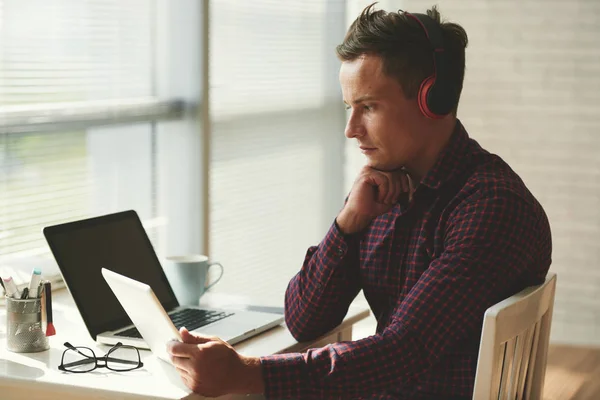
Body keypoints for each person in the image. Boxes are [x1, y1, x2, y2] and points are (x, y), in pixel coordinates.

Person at [166, 4, 552, 399]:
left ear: (431, 100)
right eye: (350, 108)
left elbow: (403, 351)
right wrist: (348, 223)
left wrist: (250, 374)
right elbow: (304, 320)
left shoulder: (492, 208)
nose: (351, 130)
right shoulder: (385, 193)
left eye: (368, 107)